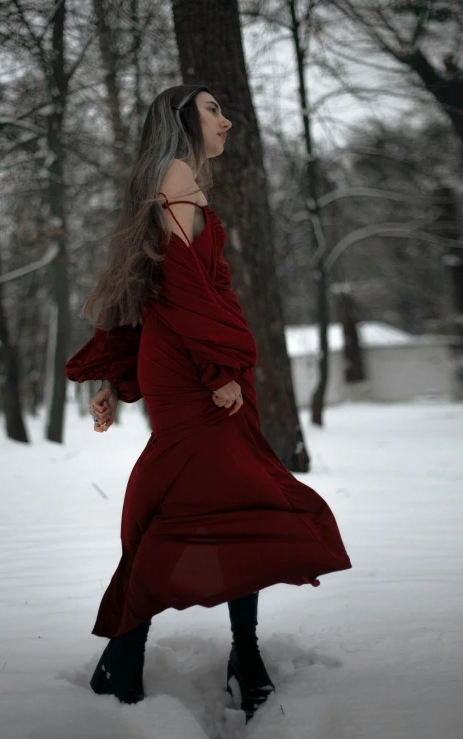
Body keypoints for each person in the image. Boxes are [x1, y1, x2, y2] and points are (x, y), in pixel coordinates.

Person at [65, 85, 352, 722]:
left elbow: (151, 281)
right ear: (181, 119)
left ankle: (148, 652)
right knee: (213, 495)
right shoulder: (174, 173)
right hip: (199, 367)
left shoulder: (180, 179)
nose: (226, 119)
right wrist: (219, 364)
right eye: (212, 108)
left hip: (198, 358)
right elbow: (182, 283)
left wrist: (116, 375)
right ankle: (169, 650)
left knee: (216, 497)